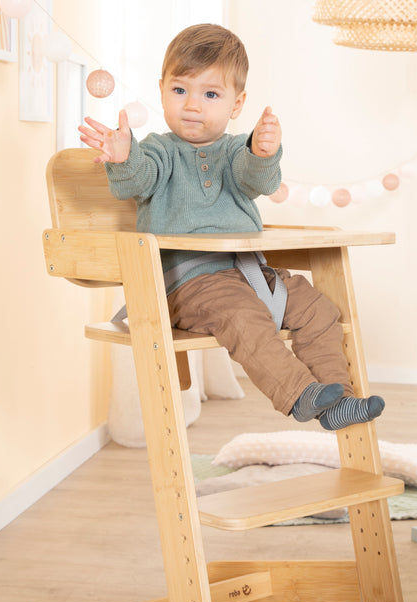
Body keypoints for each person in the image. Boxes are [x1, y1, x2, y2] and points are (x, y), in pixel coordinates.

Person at [79, 23, 384, 431]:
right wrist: (123, 157)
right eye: (180, 90)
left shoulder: (234, 151)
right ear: (162, 89)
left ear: (236, 104)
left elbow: (259, 180)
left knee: (319, 309)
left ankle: (338, 400)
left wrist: (263, 152)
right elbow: (139, 180)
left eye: (210, 94)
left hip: (252, 273)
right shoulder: (158, 150)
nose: (192, 105)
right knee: (243, 318)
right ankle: (298, 394)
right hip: (187, 285)